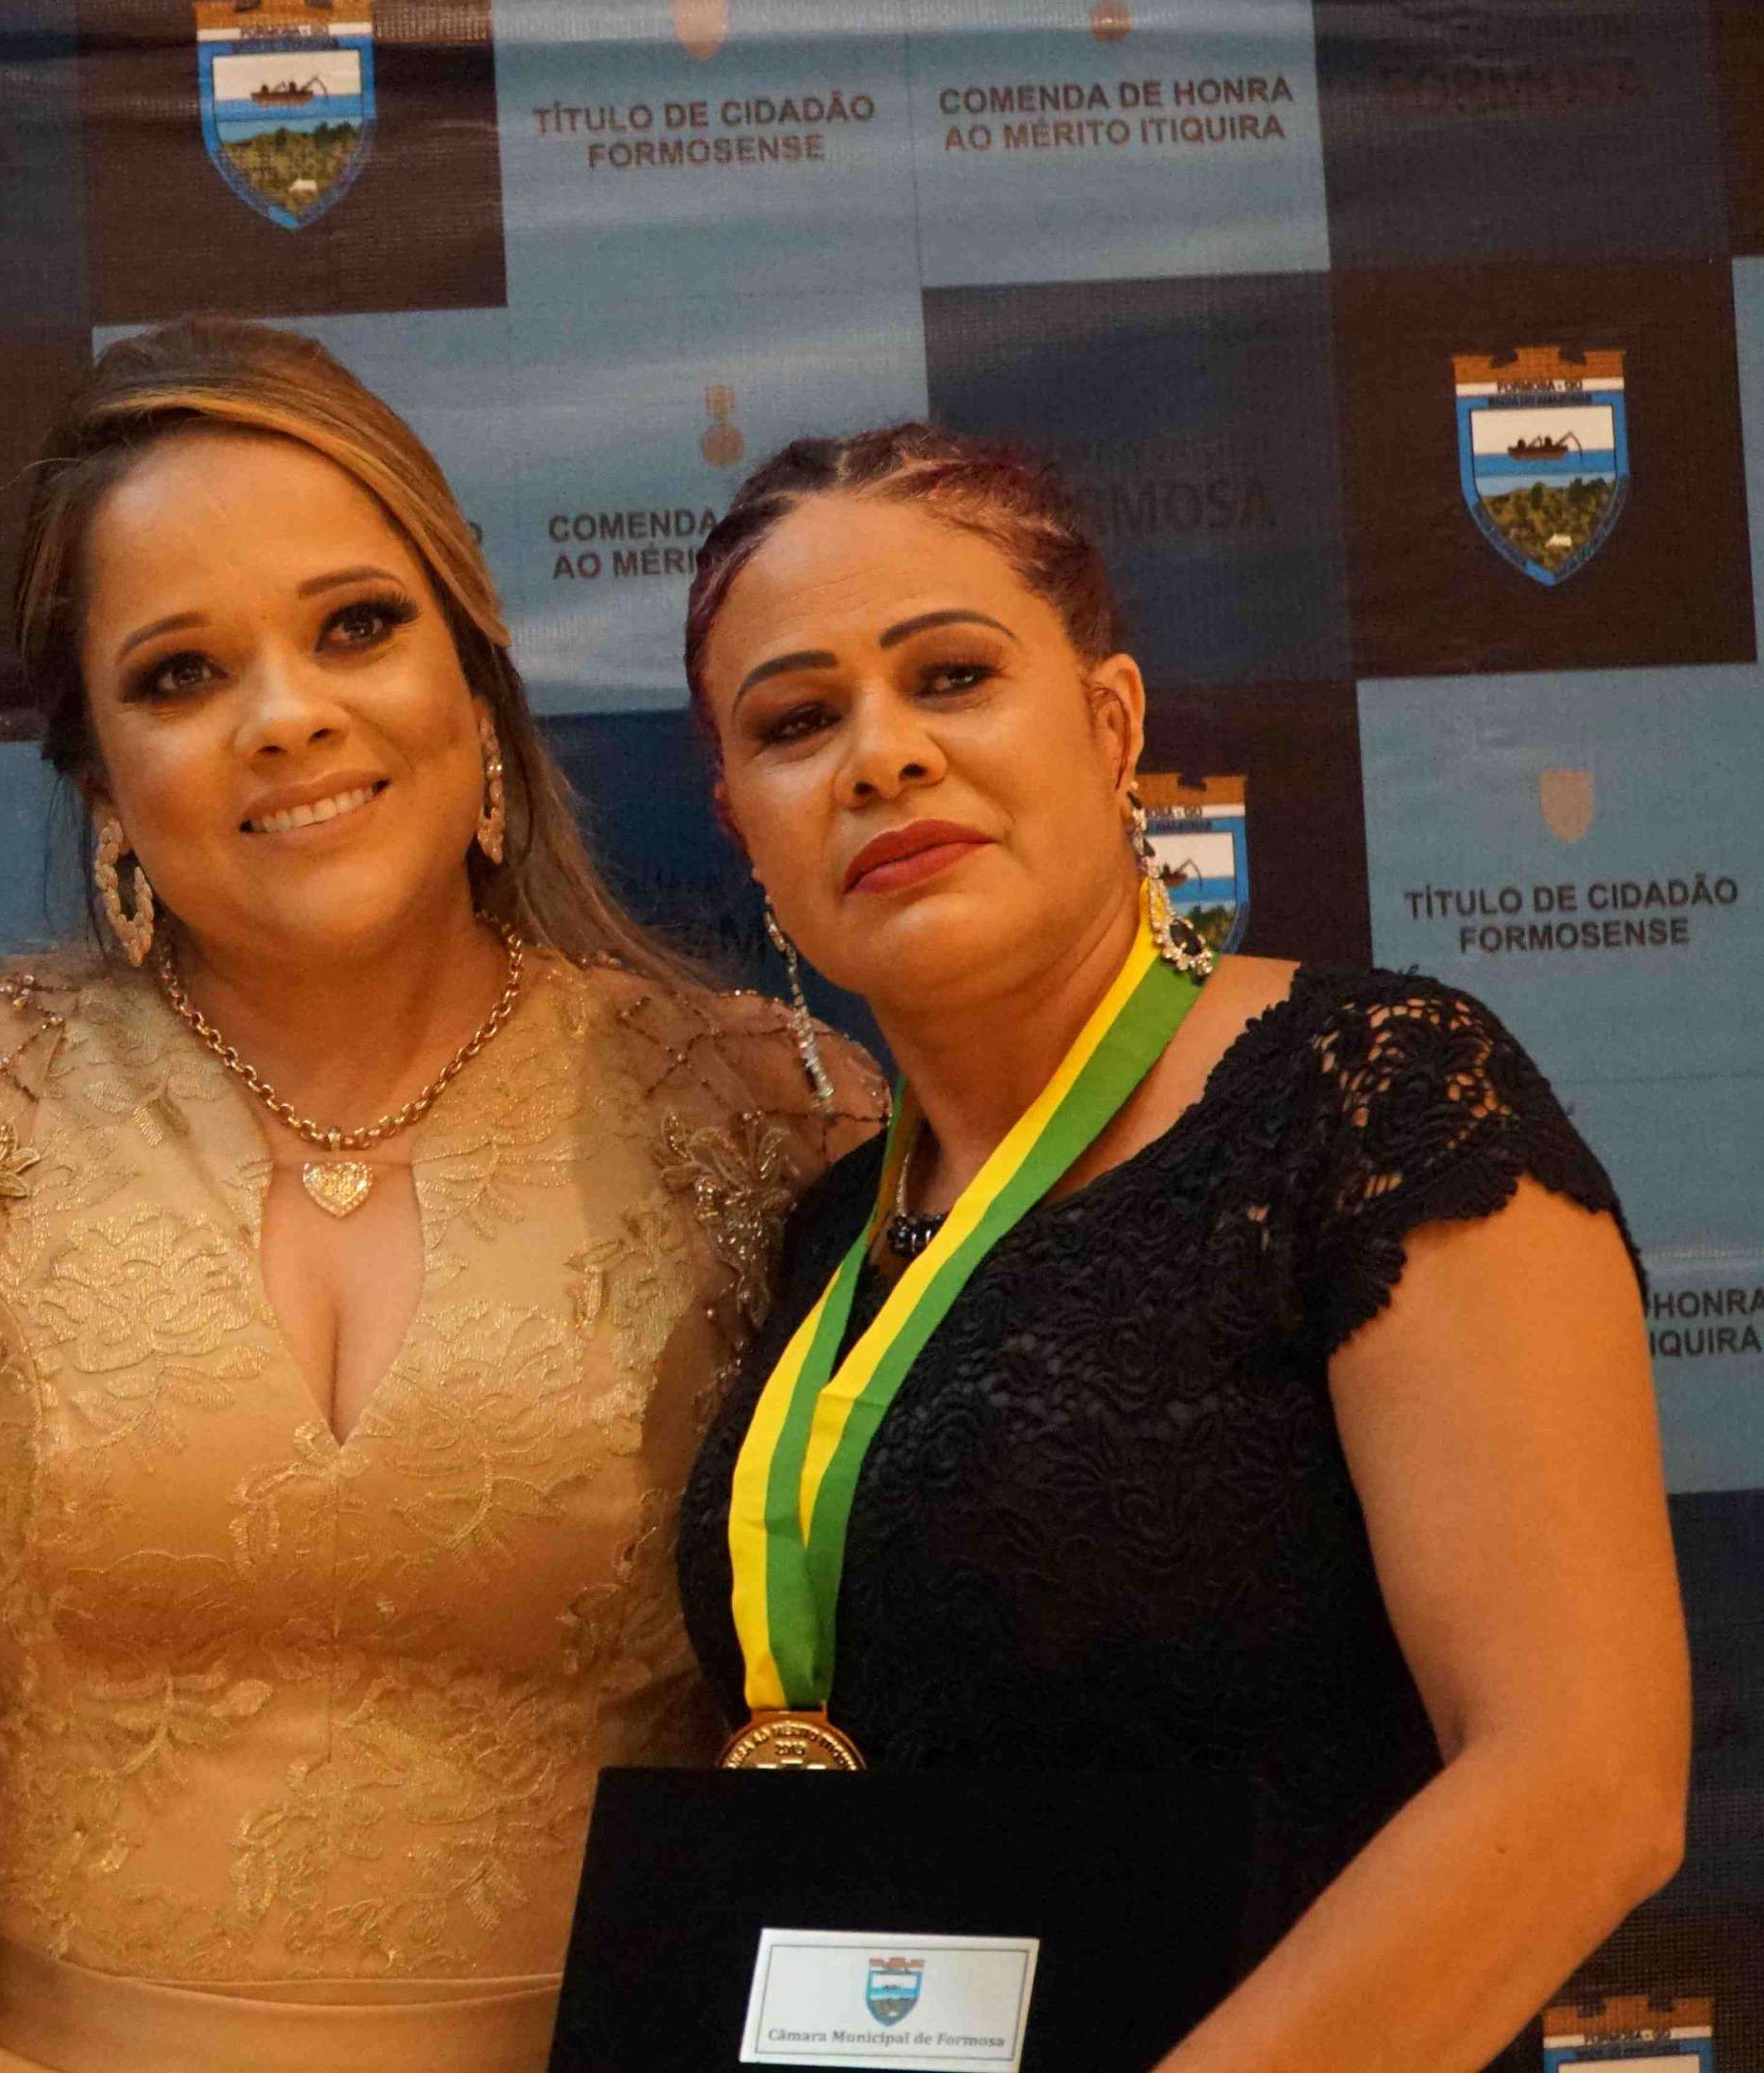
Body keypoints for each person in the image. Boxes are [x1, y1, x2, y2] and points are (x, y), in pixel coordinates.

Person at [0, 317, 870, 2072]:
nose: (289, 716)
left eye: (357, 626)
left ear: (476, 670)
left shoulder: (770, 1113)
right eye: (180, 674)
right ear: (100, 775)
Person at [669, 424, 1688, 2066]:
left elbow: (1588, 1782)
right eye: (798, 722)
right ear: (742, 828)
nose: (882, 756)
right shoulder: (825, 1240)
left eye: (950, 677)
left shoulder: (1371, 1097)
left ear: (1111, 722)